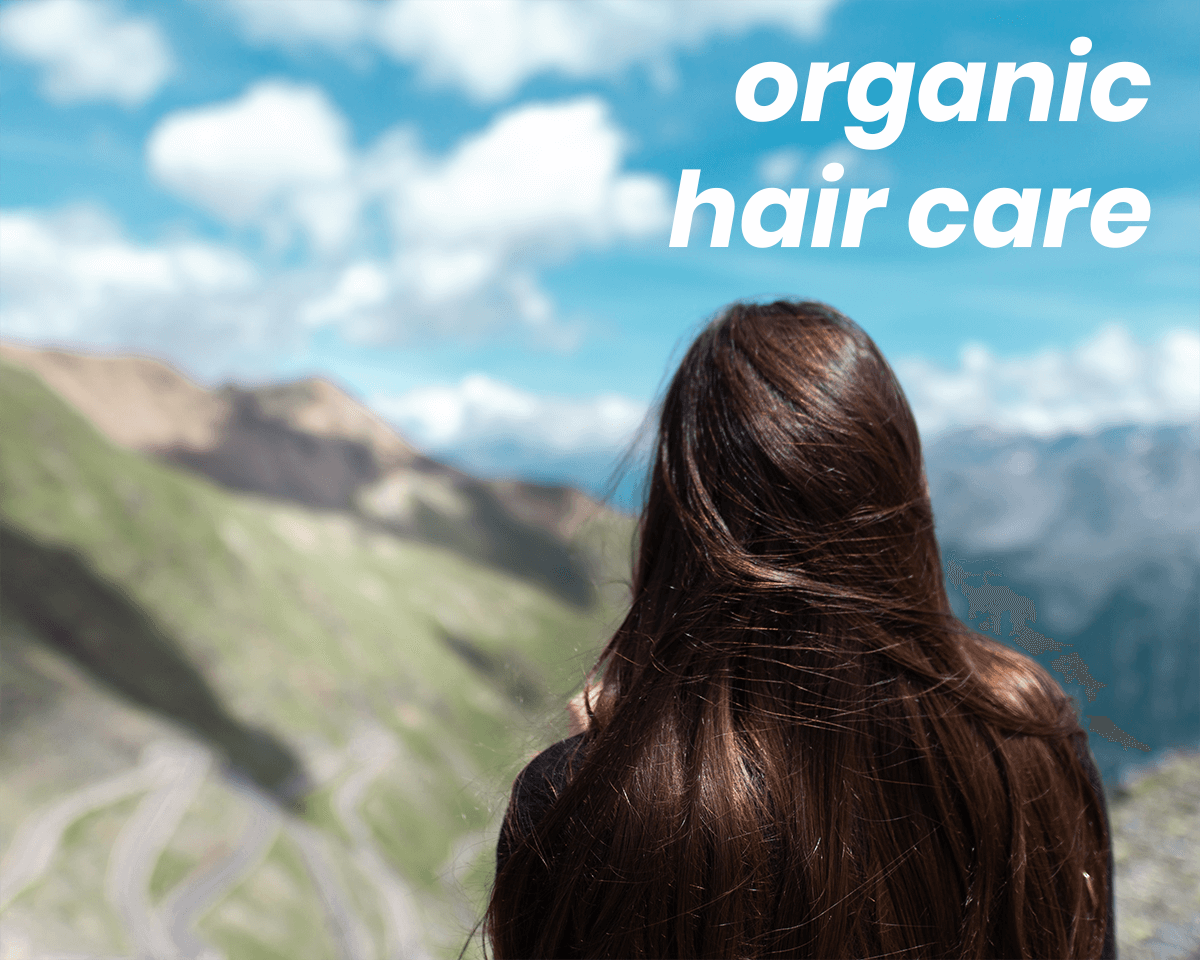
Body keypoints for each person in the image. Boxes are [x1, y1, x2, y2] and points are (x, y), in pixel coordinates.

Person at [486, 300, 1115, 959]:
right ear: (910, 495)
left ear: (677, 518)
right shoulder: (1032, 730)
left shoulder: (578, 803)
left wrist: (593, 780)